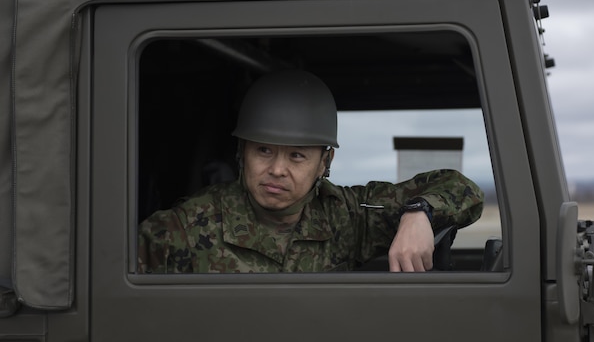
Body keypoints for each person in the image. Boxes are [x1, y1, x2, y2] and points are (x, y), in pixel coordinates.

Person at [138, 70, 484, 273]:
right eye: (263, 150)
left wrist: (418, 212)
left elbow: (461, 187)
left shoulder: (347, 215)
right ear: (241, 152)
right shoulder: (183, 228)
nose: (277, 170)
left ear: (325, 162)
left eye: (297, 156)